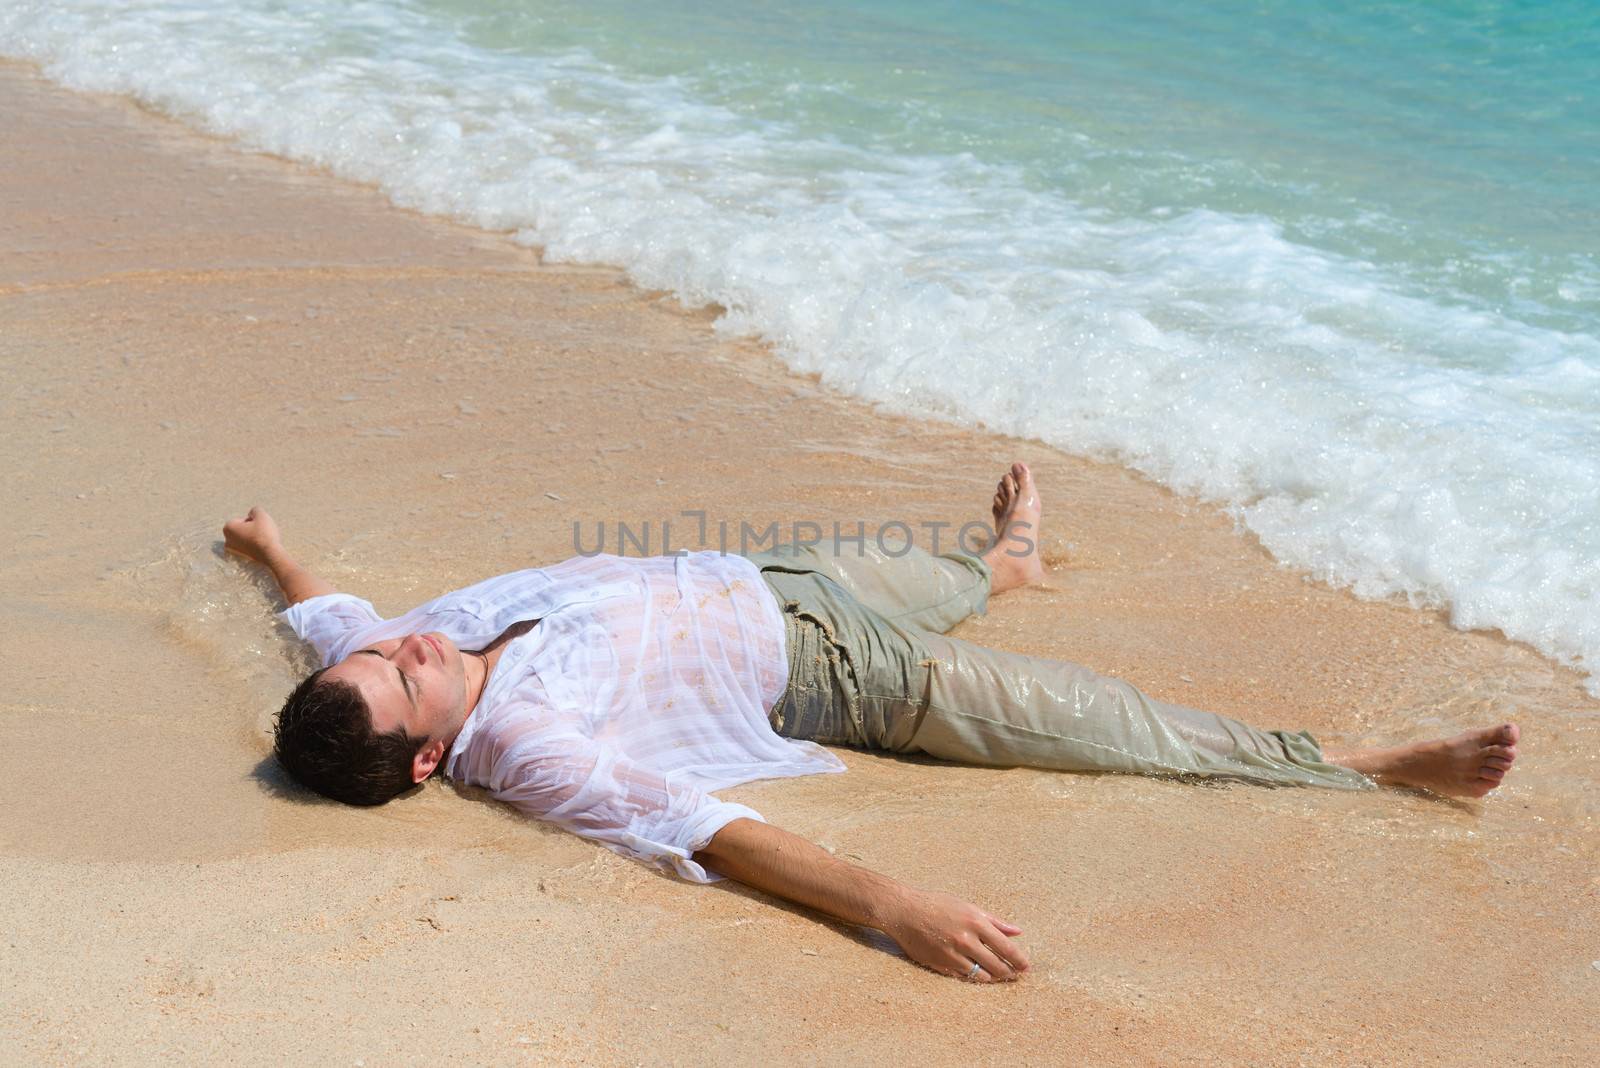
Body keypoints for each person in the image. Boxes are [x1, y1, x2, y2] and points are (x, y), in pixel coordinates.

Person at [223, 462, 1519, 984]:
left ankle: (1006, 560)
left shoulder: (368, 660)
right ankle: (1355, 764)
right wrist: (893, 907)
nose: (409, 642)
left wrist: (269, 549)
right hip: (841, 673)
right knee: (1110, 721)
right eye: (404, 673)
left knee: (968, 575)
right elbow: (713, 828)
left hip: (771, 575)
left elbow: (321, 610)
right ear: (433, 756)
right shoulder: (528, 750)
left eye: (390, 646)